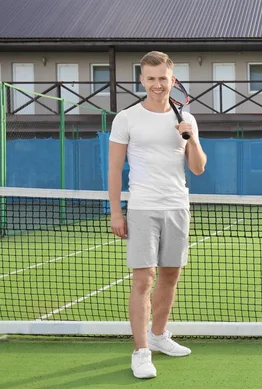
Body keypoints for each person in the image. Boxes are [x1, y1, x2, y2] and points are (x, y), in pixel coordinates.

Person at [107, 51, 207, 379]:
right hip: (141, 207)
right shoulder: (126, 118)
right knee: (142, 279)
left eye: (163, 78)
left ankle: (159, 335)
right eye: (151, 78)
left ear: (172, 80)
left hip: (178, 206)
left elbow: (198, 168)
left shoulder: (186, 120)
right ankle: (141, 351)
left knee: (170, 276)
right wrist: (116, 213)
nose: (157, 84)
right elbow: (114, 169)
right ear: (142, 81)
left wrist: (189, 139)